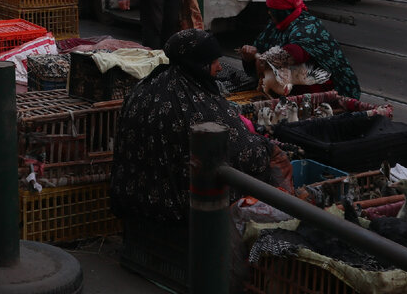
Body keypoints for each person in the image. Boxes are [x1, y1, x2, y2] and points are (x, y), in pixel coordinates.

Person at [111, 29, 282, 224]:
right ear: (199, 63)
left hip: (131, 198)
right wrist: (268, 148)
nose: (219, 68)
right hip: (176, 210)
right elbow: (249, 155)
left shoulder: (146, 86)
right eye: (214, 62)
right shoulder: (199, 106)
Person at [239, 0, 361, 100]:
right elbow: (259, 49)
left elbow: (296, 54)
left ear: (282, 11)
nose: (269, 13)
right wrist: (250, 55)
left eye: (272, 10)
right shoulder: (275, 26)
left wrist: (264, 59)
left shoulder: (308, 25)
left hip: (324, 87)